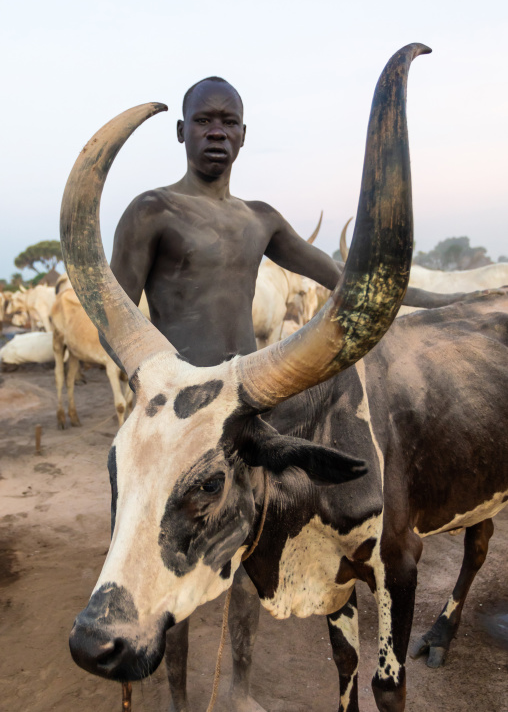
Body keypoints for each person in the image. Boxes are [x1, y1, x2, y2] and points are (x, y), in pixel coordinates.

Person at [110, 75, 464, 711]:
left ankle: (241, 688)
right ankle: (179, 701)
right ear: (181, 130)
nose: (216, 131)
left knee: (247, 553)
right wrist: (153, 403)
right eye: (204, 120)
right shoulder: (151, 211)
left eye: (229, 122)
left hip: (245, 418)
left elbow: (344, 277)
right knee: (172, 559)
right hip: (180, 425)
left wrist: (441, 303)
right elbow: (117, 318)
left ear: (244, 136)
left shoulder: (261, 220)